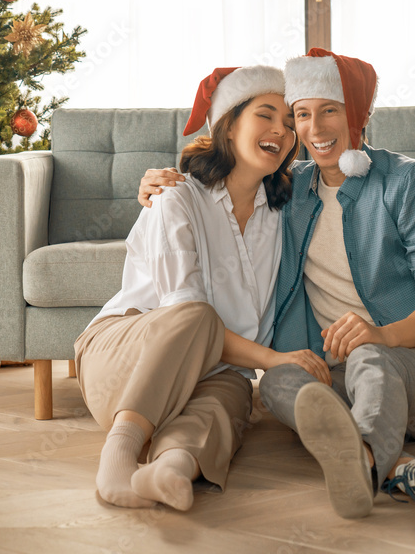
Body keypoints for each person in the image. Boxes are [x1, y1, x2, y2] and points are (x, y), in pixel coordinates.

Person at [138, 49, 415, 519]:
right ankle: (399, 471)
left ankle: (359, 462)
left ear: (356, 114)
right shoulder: (290, 189)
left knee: (369, 357)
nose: (315, 130)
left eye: (330, 111)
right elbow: (223, 179)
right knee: (277, 381)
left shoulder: (409, 182)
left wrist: (381, 335)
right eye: (302, 115)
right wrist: (159, 182)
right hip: (332, 372)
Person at [76, 65, 327, 511]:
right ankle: (119, 456)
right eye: (265, 116)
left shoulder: (285, 210)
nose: (281, 131)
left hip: (216, 370)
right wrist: (274, 359)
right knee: (197, 315)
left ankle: (169, 470)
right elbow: (185, 314)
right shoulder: (176, 197)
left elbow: (338, 167)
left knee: (229, 401)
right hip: (124, 358)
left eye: (290, 124)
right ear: (228, 127)